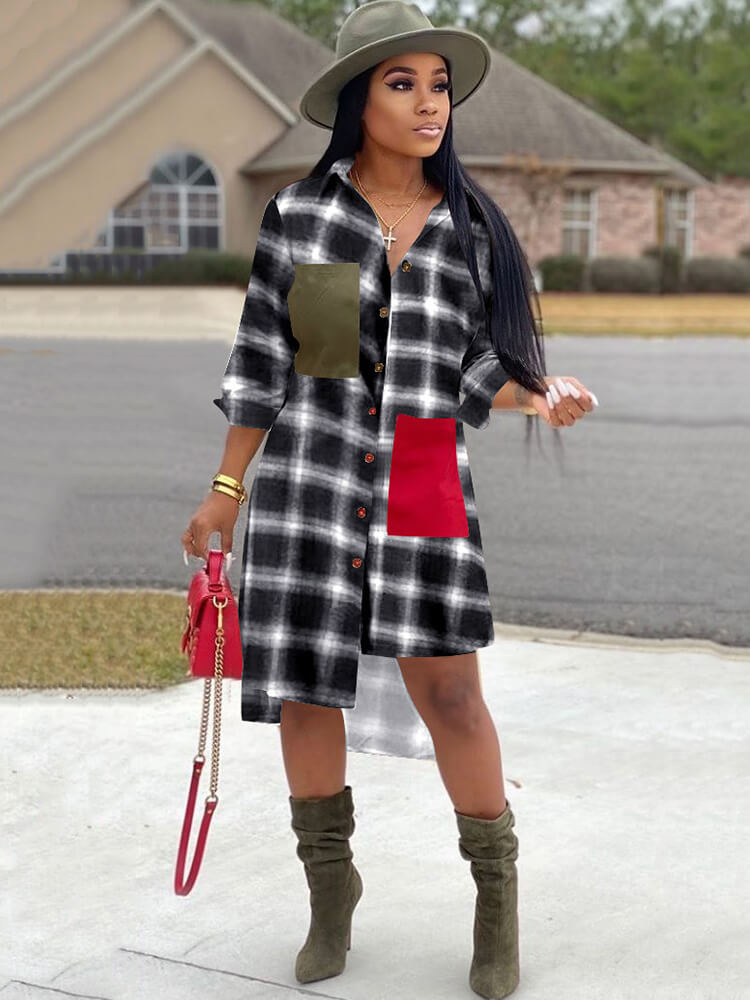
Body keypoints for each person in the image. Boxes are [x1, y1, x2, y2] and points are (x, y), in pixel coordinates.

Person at [182, 2, 598, 997]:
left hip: (422, 476)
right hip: (309, 481)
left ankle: (495, 902)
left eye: (438, 85)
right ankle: (331, 895)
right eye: (402, 83)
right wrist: (226, 491)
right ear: (357, 102)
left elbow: (476, 368)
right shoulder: (300, 216)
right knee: (305, 693)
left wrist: (540, 392)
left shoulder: (472, 227)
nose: (428, 103)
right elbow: (265, 363)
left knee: (452, 694)